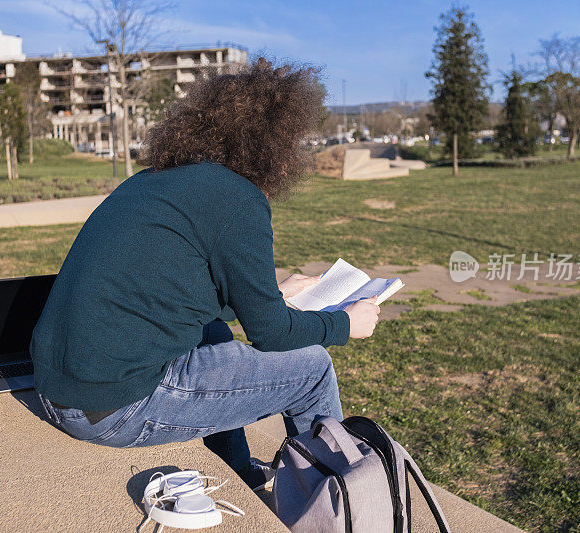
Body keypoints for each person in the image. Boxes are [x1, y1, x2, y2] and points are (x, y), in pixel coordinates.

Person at [30, 58, 381, 491]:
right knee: (312, 370)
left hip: (56, 389)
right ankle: (326, 505)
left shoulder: (154, 181)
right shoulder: (238, 198)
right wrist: (347, 323)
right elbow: (271, 335)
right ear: (273, 144)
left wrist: (274, 292)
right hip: (111, 408)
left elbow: (177, 294)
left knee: (214, 334)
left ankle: (241, 475)